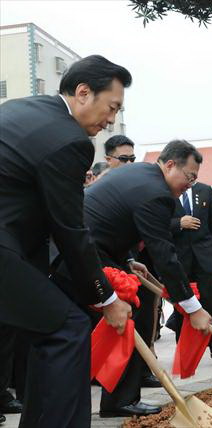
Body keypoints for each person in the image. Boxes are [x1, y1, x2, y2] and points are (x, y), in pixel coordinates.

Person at [0, 55, 133, 428]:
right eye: (112, 107)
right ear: (83, 93)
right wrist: (106, 298)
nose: (110, 120)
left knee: (47, 325)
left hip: (13, 244)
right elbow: (70, 229)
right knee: (67, 328)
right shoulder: (70, 141)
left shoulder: (22, 109)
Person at [56, 139, 212, 418]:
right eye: (189, 177)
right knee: (123, 313)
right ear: (170, 165)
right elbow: (164, 253)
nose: (190, 184)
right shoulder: (156, 193)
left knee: (123, 315)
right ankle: (115, 400)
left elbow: (116, 218)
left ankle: (117, 397)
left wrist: (127, 261)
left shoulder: (141, 174)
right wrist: (193, 308)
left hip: (90, 250)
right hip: (83, 255)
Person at [167, 181, 212, 367]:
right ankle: (184, 354)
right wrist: (179, 223)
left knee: (210, 304)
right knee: (181, 306)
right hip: (178, 259)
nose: (191, 175)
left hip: (204, 257)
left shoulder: (205, 190)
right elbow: (158, 224)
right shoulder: (167, 189)